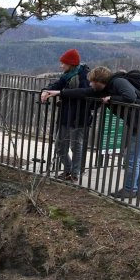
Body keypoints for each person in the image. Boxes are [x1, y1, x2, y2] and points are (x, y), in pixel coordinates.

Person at [63, 66, 140, 199]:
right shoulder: (107, 87)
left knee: (132, 157)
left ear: (100, 81)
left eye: (93, 82)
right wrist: (61, 93)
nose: (91, 84)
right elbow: (85, 92)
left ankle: (130, 189)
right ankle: (139, 187)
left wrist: (111, 99)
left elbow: (130, 96)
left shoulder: (118, 82)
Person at [39, 49, 95, 182]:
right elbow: (56, 85)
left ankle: (74, 174)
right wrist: (45, 90)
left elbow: (85, 92)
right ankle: (69, 170)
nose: (61, 66)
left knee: (76, 146)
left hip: (79, 116)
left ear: (71, 63)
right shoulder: (67, 75)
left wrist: (61, 93)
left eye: (63, 63)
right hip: (66, 116)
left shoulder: (84, 76)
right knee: (60, 146)